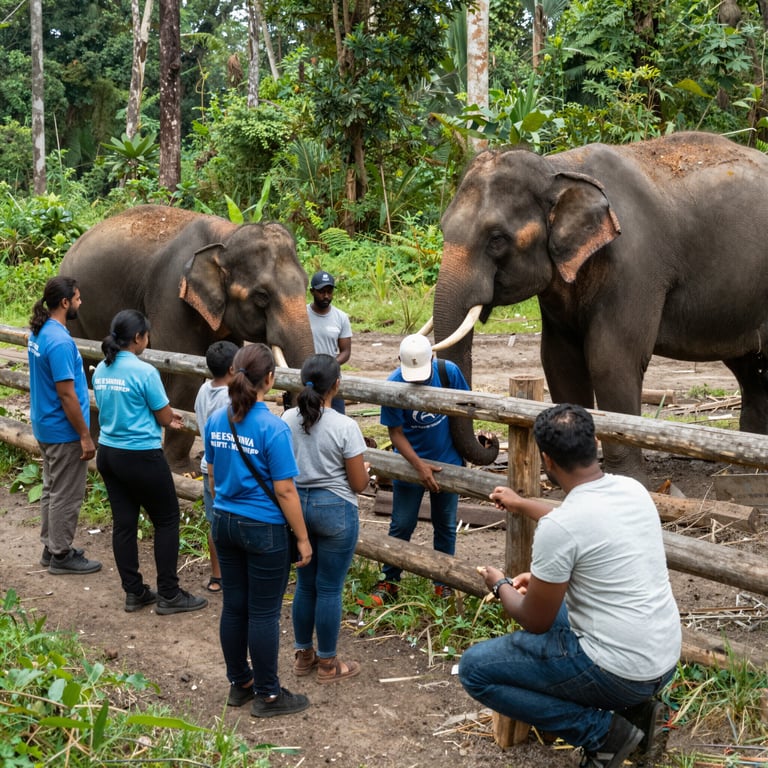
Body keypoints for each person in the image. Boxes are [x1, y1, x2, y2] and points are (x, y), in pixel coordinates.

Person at [458, 404, 680, 768]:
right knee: (563, 611)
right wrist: (522, 504)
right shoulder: (632, 489)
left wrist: (500, 585)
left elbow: (535, 621)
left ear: (546, 460)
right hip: (662, 658)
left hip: (620, 671)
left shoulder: (560, 529)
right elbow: (581, 524)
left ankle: (603, 734)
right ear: (594, 442)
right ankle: (640, 712)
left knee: (474, 670)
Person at [204, 343, 312, 717]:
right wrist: (301, 537)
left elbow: (214, 474)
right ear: (270, 379)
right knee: (264, 613)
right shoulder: (273, 428)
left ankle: (241, 683)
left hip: (224, 522)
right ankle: (269, 695)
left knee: (234, 606)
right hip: (263, 528)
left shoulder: (218, 419)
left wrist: (228, 505)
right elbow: (284, 490)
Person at [93, 310, 208, 615]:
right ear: (138, 338)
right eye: (146, 334)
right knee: (167, 519)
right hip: (141, 454)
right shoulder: (145, 372)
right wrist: (171, 418)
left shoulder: (102, 370)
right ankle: (169, 593)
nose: (148, 339)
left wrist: (163, 415)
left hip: (108, 452)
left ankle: (134, 592)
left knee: (125, 523)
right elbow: (162, 414)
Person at [282, 354, 368, 683]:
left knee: (305, 585)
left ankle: (304, 656)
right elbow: (359, 484)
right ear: (337, 385)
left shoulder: (287, 419)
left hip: (295, 508)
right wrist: (366, 474)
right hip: (335, 508)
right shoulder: (345, 426)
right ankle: (329, 664)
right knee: (329, 588)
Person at [369, 333, 469, 604]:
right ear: (399, 361)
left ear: (433, 359)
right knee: (402, 524)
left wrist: (473, 444)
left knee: (445, 526)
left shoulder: (448, 373)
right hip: (410, 466)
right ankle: (389, 582)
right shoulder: (393, 385)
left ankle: (443, 582)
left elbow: (465, 411)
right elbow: (396, 433)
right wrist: (419, 467)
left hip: (448, 463)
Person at [27, 276, 102, 575]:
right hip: (63, 429)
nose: (81, 303)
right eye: (78, 298)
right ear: (65, 302)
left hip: (45, 424)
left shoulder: (40, 332)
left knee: (52, 487)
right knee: (67, 494)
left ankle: (51, 546)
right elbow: (66, 393)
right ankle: (61, 555)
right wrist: (85, 434)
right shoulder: (59, 341)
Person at [194, 340, 239, 594]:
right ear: (233, 369)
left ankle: (217, 576)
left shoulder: (203, 390)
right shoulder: (231, 398)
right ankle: (236, 573)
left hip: (206, 465)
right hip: (228, 467)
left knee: (215, 522)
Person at [307, 270, 352, 414]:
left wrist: (330, 365)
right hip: (307, 375)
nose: (326, 296)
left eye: (329, 291)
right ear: (312, 291)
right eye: (321, 291)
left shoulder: (341, 317)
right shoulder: (301, 315)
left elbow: (345, 351)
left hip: (331, 377)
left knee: (336, 417)